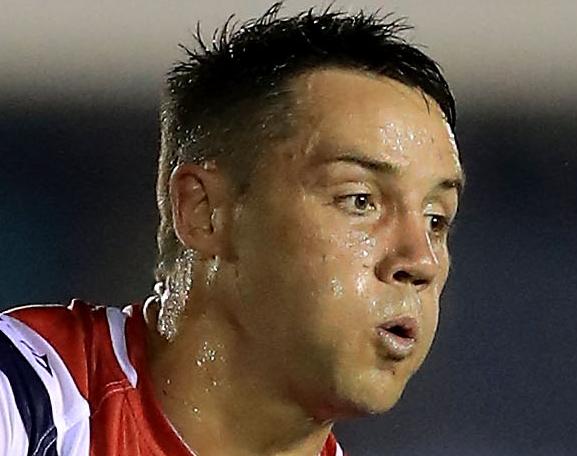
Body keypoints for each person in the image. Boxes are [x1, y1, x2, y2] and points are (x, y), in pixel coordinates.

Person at [0, 2, 464, 455]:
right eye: (360, 200)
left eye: (436, 219)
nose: (420, 260)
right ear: (204, 211)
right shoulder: (26, 405)